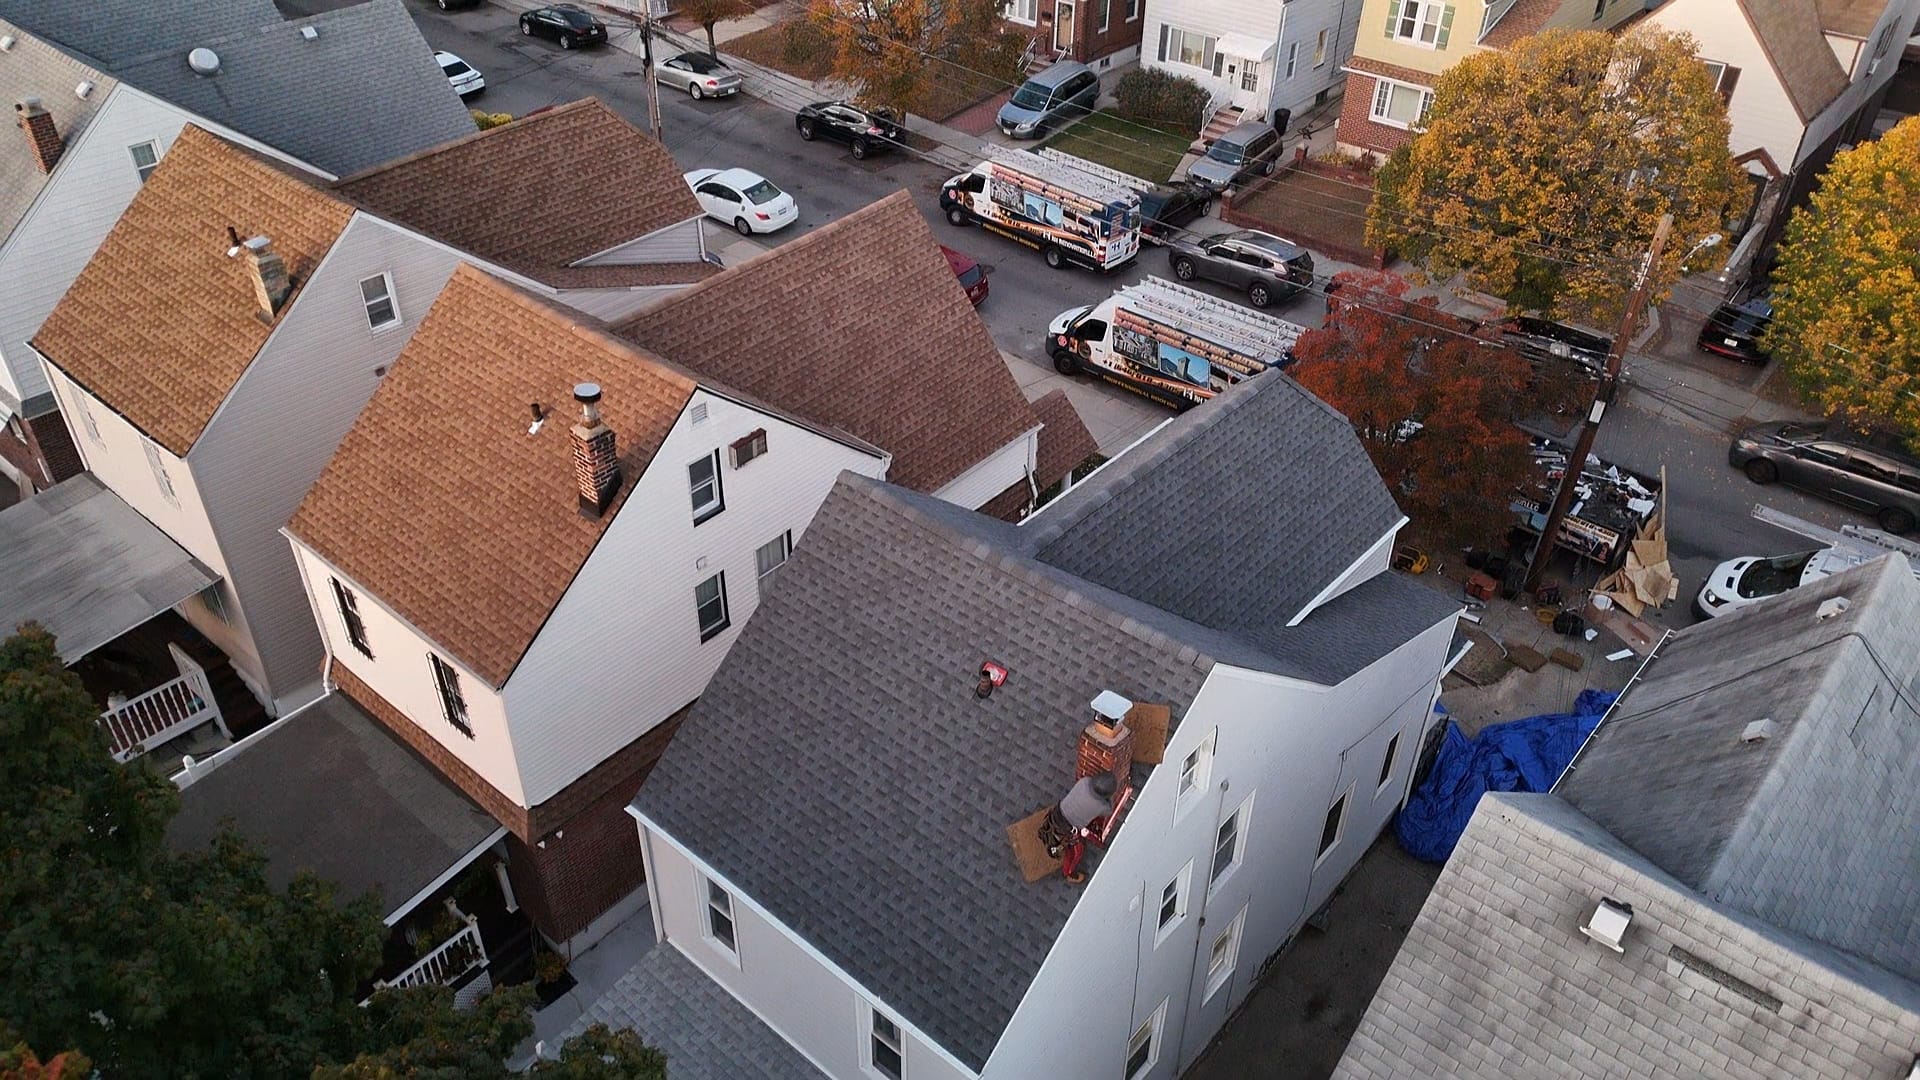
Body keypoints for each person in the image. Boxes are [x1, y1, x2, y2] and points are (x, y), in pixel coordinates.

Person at [1038, 773, 1116, 883]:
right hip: (1068, 829)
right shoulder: (1102, 806)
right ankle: (1068, 873)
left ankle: (1049, 835)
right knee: (1076, 852)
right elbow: (1109, 811)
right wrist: (1110, 798)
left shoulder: (1084, 782)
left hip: (1056, 813)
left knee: (1057, 829)